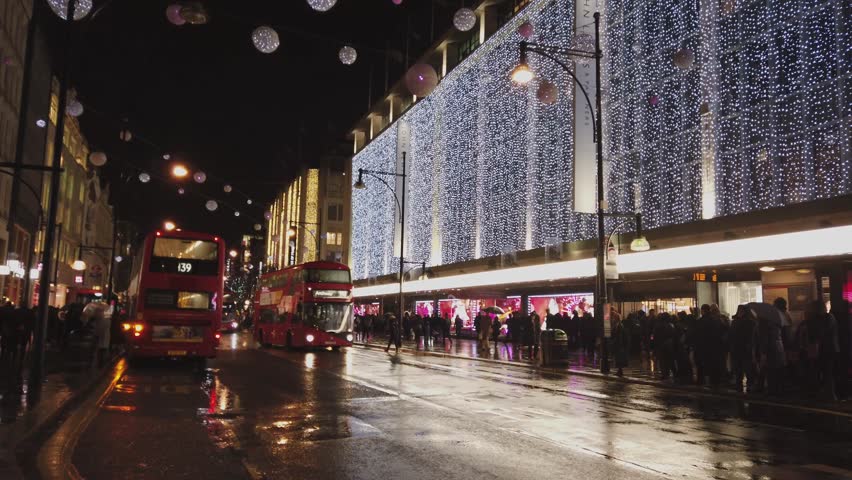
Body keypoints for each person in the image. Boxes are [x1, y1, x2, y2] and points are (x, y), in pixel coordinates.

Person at [729, 305, 757, 393]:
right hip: (745, 349)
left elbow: (731, 335)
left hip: (737, 349)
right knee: (747, 369)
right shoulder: (751, 322)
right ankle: (749, 386)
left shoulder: (735, 322)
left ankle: (739, 386)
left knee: (739, 370)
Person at [694, 304, 723, 386]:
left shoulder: (701, 321)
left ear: (703, 311)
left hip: (703, 346)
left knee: (702, 365)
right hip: (713, 346)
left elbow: (697, 334)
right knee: (713, 365)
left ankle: (702, 381)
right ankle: (714, 381)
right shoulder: (715, 320)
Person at [611, 308, 630, 376]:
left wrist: (619, 343)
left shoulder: (619, 325)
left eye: (614, 317)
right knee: (618, 357)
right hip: (618, 344)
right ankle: (619, 370)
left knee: (619, 357)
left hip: (619, 344)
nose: (612, 319)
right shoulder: (618, 325)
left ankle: (620, 371)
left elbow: (619, 335)